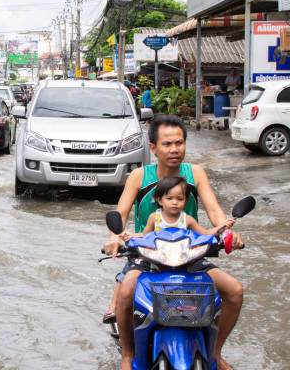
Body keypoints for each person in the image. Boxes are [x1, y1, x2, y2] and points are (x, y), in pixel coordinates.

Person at [102, 114, 244, 370]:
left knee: (234, 290)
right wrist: (114, 238)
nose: (175, 149)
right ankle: (127, 354)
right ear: (154, 148)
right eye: (167, 144)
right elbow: (121, 213)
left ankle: (216, 352)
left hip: (190, 256)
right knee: (125, 293)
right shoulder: (139, 176)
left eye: (179, 143)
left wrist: (226, 234)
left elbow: (214, 212)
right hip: (147, 257)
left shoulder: (196, 173)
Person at [141, 175, 234, 236]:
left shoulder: (187, 220)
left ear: (186, 201)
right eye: (169, 198)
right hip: (158, 258)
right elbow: (144, 236)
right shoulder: (154, 218)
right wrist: (130, 236)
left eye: (179, 199)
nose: (174, 202)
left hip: (183, 258)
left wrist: (222, 226)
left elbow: (205, 234)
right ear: (160, 200)